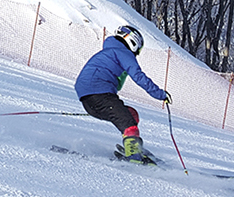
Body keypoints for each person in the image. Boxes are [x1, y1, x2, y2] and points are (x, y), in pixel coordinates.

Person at [74, 24, 172, 162]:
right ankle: (134, 155)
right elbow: (139, 77)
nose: (136, 53)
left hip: (88, 99)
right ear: (133, 42)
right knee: (128, 122)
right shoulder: (123, 53)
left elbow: (115, 83)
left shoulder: (107, 53)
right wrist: (161, 95)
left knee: (131, 114)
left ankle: (131, 144)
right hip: (100, 93)